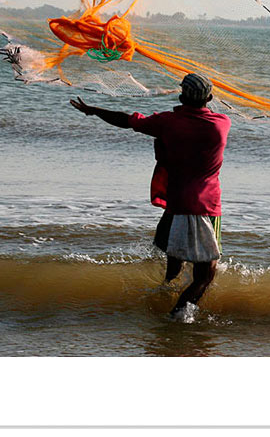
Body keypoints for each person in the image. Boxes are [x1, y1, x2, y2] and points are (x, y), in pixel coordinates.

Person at [70, 73, 231, 317]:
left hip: (175, 202)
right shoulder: (221, 124)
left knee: (173, 260)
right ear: (209, 98)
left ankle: (162, 295)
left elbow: (127, 121)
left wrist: (93, 110)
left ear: (181, 96)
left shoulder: (167, 123)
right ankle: (177, 318)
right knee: (205, 275)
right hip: (205, 206)